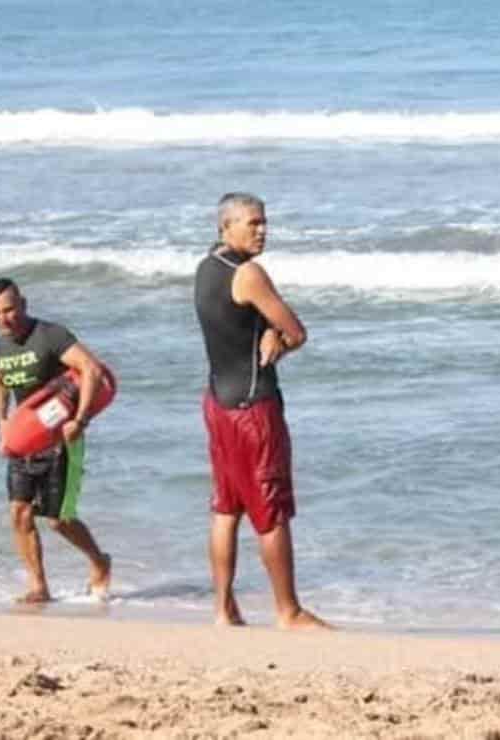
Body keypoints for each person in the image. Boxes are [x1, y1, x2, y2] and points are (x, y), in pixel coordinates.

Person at [194, 192, 329, 630]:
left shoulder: (207, 267)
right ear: (226, 226)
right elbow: (298, 333)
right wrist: (279, 341)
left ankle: (223, 608)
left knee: (226, 508)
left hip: (218, 403)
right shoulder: (249, 274)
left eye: (264, 222)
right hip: (253, 410)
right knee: (271, 513)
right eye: (252, 223)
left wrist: (269, 330)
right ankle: (288, 611)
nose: (262, 230)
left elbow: (239, 324)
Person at [0, 278, 112, 604]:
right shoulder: (0, 347)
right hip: (26, 439)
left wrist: (80, 420)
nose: (3, 318)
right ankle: (38, 586)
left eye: (9, 310)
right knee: (19, 513)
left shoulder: (51, 335)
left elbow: (91, 369)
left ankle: (99, 560)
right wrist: (1, 421)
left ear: (23, 304)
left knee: (59, 520)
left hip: (62, 439)